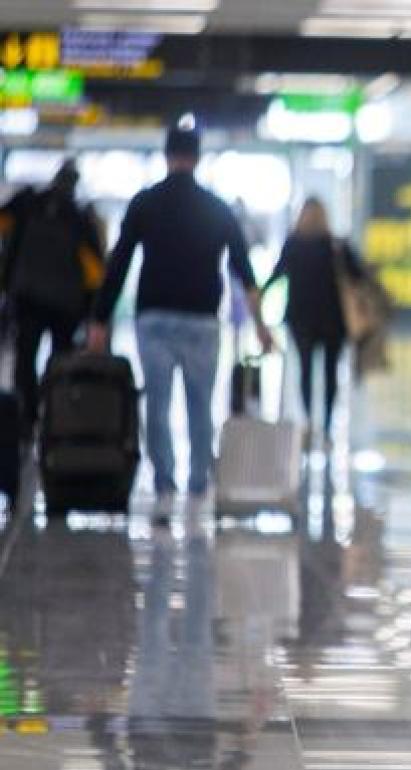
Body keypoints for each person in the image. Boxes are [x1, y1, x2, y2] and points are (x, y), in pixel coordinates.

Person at [87, 123, 274, 512]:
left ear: (168, 156)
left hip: (154, 317)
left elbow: (118, 263)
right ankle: (198, 483)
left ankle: (164, 483)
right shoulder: (216, 207)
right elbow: (244, 271)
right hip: (203, 320)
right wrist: (260, 325)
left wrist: (100, 319)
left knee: (157, 402)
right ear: (197, 158)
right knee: (200, 403)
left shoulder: (145, 202)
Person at [0, 159, 105, 440]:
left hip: (27, 298)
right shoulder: (81, 218)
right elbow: (95, 273)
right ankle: (55, 414)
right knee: (60, 361)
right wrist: (93, 313)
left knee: (25, 358)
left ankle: (27, 418)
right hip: (65, 307)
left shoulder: (29, 202)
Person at [263, 197, 363, 447]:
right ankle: (327, 427)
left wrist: (257, 295)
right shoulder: (336, 246)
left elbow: (276, 275)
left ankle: (308, 422)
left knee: (305, 372)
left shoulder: (293, 244)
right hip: (333, 321)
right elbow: (358, 276)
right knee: (330, 374)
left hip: (301, 320)